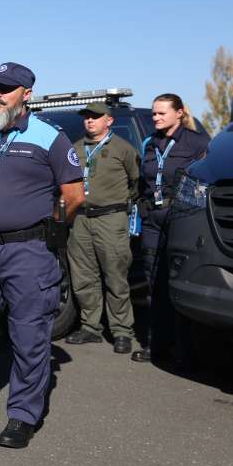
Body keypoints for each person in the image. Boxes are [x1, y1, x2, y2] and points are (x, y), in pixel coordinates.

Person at [0, 62, 84, 450]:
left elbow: (74, 195)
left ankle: (23, 414)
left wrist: (49, 230)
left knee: (28, 333)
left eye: (6, 88)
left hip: (27, 250)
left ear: (26, 94)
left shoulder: (50, 138)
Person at [131, 93, 209, 365]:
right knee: (154, 281)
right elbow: (143, 182)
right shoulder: (150, 143)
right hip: (153, 219)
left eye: (161, 113)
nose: (156, 118)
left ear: (179, 113)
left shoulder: (198, 142)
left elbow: (205, 182)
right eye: (154, 113)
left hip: (182, 217)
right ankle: (157, 345)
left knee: (180, 281)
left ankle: (188, 350)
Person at [64, 102, 140, 353]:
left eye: (95, 117)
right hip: (80, 220)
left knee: (115, 276)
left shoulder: (123, 149)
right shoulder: (75, 148)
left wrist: (118, 205)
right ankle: (90, 327)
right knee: (83, 276)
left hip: (111, 218)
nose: (90, 120)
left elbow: (135, 183)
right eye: (87, 116)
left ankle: (122, 331)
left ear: (109, 120)